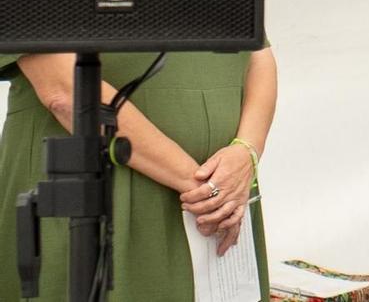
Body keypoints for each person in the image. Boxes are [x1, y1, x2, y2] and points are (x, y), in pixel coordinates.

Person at [0, 48, 278, 301]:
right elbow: (65, 90)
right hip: (96, 194)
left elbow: (259, 55)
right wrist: (207, 189)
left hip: (222, 198)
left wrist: (247, 150)